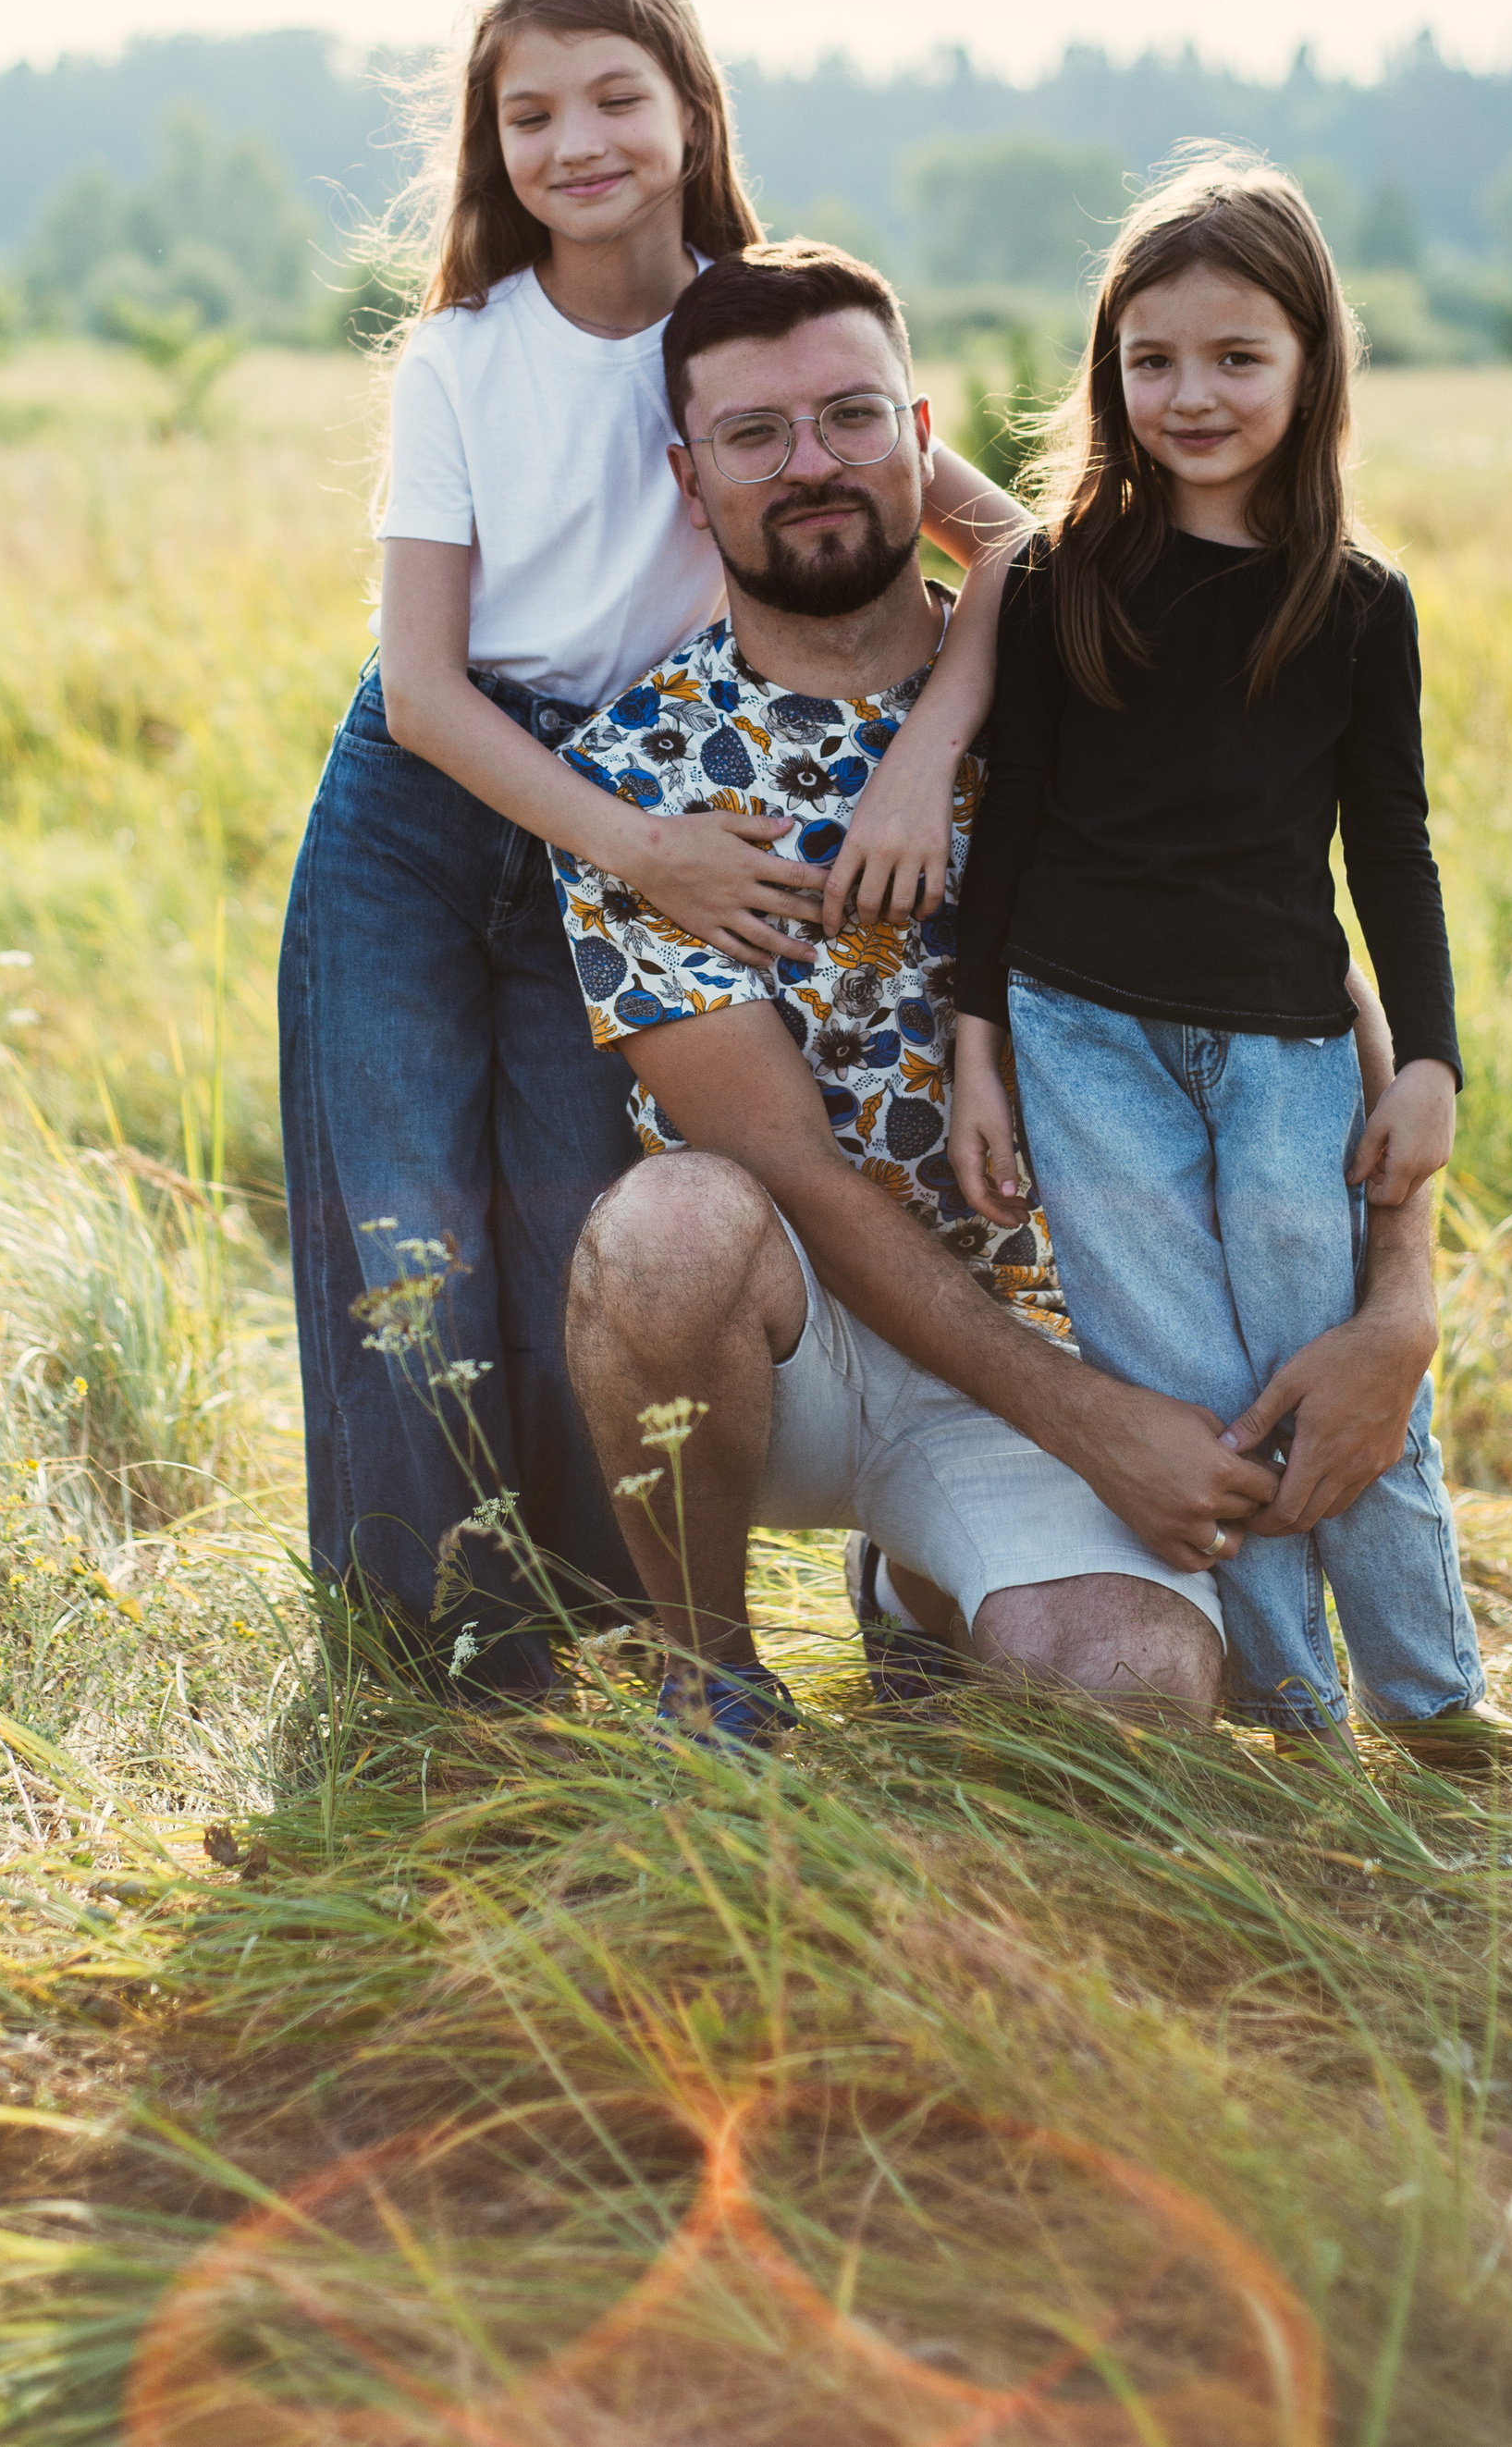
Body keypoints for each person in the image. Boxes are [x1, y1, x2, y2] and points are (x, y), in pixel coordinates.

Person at [553, 239, 1443, 1744]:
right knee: (666, 1230)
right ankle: (711, 1677)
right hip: (796, 1344)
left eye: (850, 415)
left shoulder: (1096, 663)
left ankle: (920, 1590)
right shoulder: (637, 776)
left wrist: (1403, 1300)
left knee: (1133, 1696)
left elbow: (1302, 953)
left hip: (1066, 1315)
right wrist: (1094, 1427)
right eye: (753, 434)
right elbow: (788, 1169)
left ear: (922, 436)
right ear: (689, 479)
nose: (810, 463)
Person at [279, 0, 1026, 1693]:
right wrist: (644, 851)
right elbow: (424, 691)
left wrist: (924, 758)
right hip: (432, 810)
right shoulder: (463, 355)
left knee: (575, 1224)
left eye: (616, 96)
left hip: (638, 795)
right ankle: (424, 1654)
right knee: (402, 1221)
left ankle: (594, 1636)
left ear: (693, 111)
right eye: (529, 113)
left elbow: (1009, 541)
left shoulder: (747, 339)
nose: (577, 142)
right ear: (492, 145)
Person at [948, 150, 1512, 1767]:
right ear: (1109, 370)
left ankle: (1431, 1700)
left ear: (1312, 363)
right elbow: (1010, 825)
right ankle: (1292, 1711)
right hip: (1080, 1036)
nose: (1190, 394)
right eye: (1153, 360)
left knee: (1322, 1364)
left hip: (1283, 1044)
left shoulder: (1356, 602)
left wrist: (1429, 1057)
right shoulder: (1060, 578)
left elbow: (1391, 843)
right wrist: (980, 1044)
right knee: (1192, 1389)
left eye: (1236, 356)